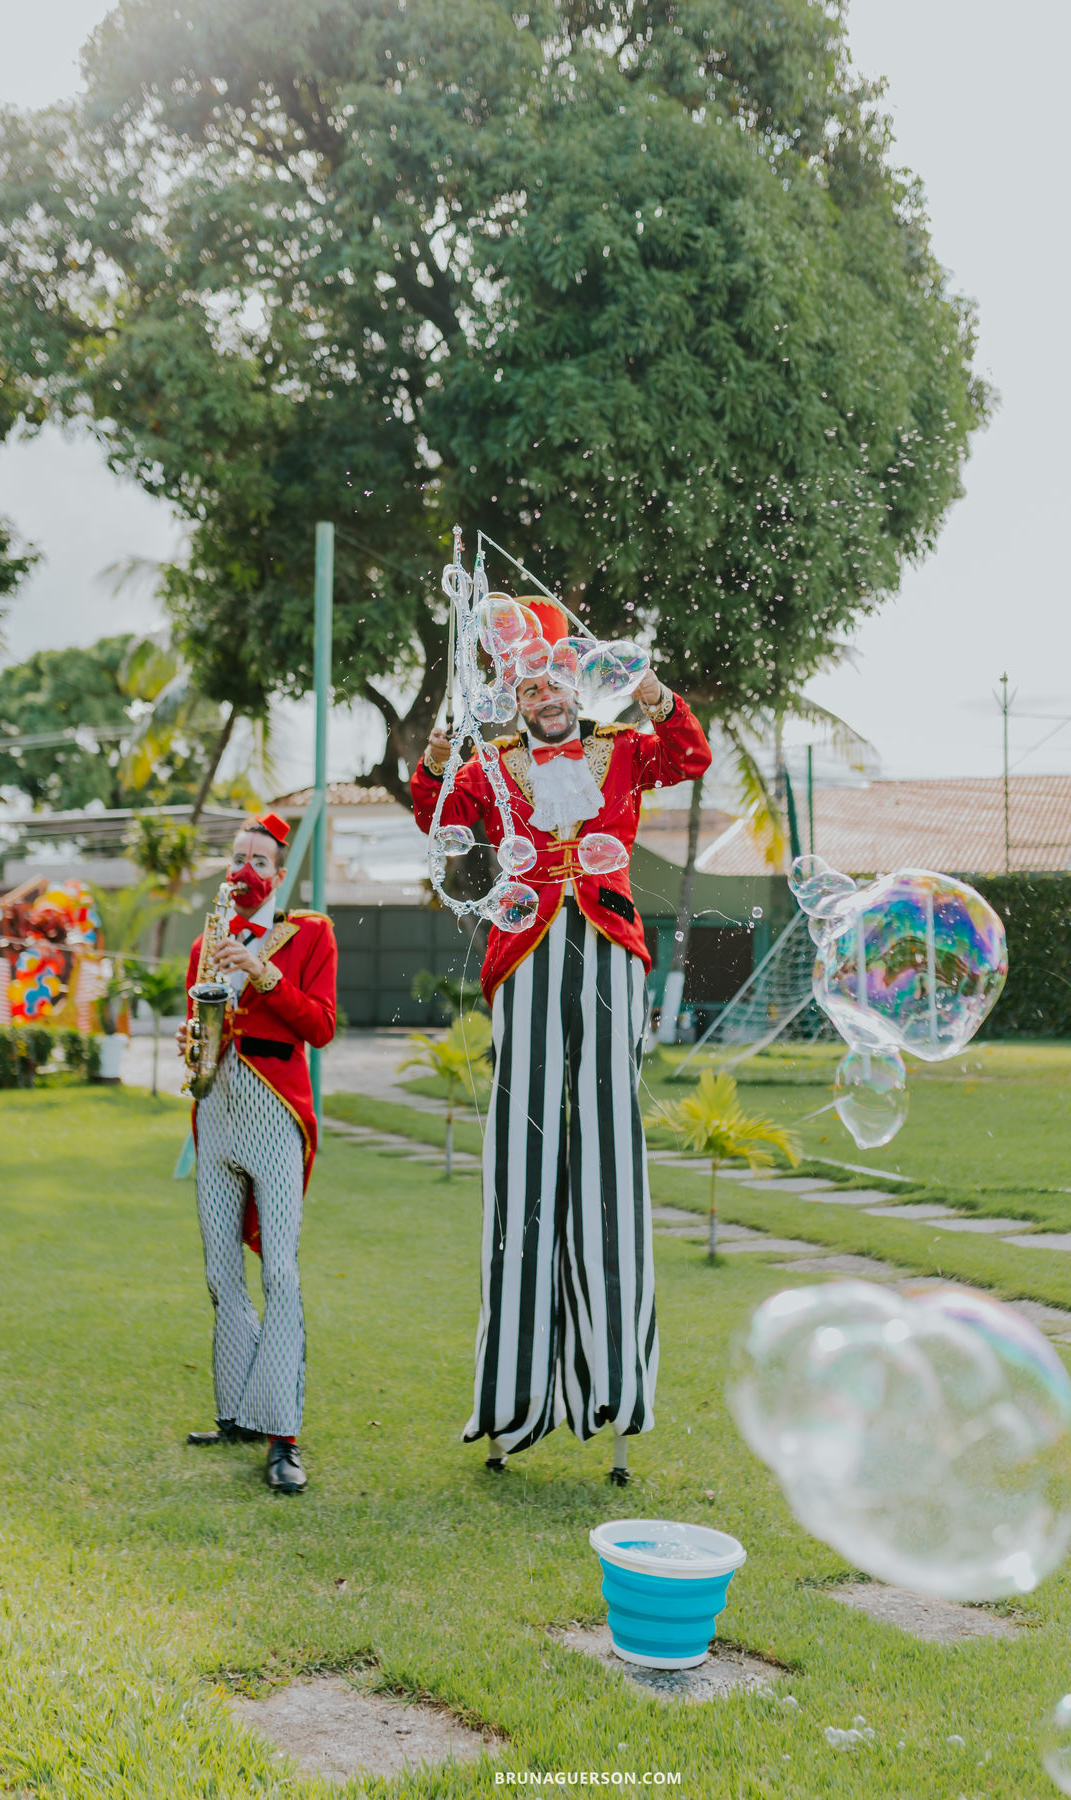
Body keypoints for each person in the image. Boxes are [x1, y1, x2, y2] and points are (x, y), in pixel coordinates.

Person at [411, 608, 711, 1482]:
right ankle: (512, 1399)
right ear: (516, 697)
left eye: (555, 683)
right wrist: (433, 758)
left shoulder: (623, 748)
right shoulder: (492, 765)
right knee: (524, 1150)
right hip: (525, 950)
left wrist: (650, 687)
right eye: (530, 686)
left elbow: (690, 757)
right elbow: (438, 816)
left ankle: (613, 1389)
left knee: (612, 1147)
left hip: (611, 942)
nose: (545, 697)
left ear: (575, 688)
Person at [175, 813, 337, 1494]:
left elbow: (321, 1027)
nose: (246, 870)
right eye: (238, 858)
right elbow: (201, 1028)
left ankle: (282, 1436)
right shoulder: (204, 941)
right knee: (221, 1273)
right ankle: (238, 1412)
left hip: (276, 1111)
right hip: (216, 1110)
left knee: (281, 1275)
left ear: (279, 872)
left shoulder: (311, 933)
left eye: (260, 860)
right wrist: (190, 1041)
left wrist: (263, 973)